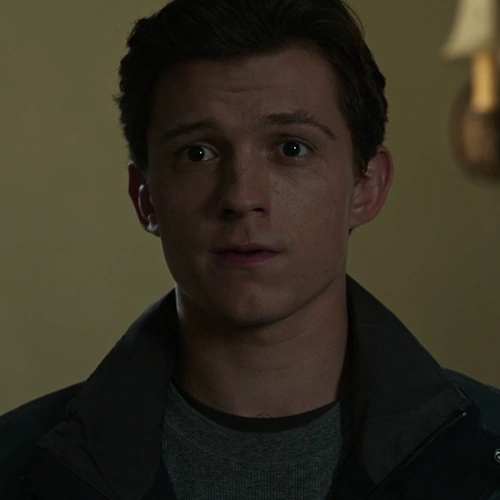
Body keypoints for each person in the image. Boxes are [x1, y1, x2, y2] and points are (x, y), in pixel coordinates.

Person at [2, 0, 500, 498]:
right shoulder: (16, 465)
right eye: (197, 153)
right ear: (145, 197)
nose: (241, 197)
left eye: (291, 148)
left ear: (365, 186)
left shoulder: (485, 452)